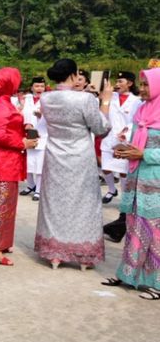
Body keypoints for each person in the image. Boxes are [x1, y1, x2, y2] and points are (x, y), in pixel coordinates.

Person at [35, 59, 112, 270]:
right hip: (80, 156)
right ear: (73, 74)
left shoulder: (46, 98)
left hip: (55, 155)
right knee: (84, 203)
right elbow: (101, 128)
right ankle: (83, 254)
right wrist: (105, 102)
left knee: (55, 203)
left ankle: (54, 253)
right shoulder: (85, 99)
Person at [103, 67, 160, 299]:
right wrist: (124, 151)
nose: (143, 89)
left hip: (154, 184)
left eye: (147, 85)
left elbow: (147, 150)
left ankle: (154, 282)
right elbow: (136, 142)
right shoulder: (142, 111)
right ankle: (127, 273)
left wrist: (143, 155)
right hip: (135, 180)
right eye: (143, 85)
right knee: (134, 227)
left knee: (155, 234)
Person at [0, 68, 38, 266]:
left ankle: (2, 241)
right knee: (1, 203)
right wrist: (23, 142)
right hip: (2, 160)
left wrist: (25, 129)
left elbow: (6, 129)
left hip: (9, 160)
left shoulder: (4, 102)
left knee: (8, 202)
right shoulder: (0, 105)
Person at [100, 72, 142, 204]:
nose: (117, 84)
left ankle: (125, 196)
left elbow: (136, 120)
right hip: (109, 137)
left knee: (123, 171)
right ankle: (112, 189)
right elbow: (103, 114)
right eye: (116, 82)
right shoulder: (110, 97)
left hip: (125, 139)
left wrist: (126, 132)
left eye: (120, 82)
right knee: (105, 167)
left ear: (129, 83)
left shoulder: (136, 101)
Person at [21, 77, 48, 201]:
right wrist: (26, 122)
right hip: (26, 134)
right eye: (36, 86)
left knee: (39, 164)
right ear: (32, 87)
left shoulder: (48, 100)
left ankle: (38, 190)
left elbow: (53, 119)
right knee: (28, 163)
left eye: (42, 86)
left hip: (42, 135)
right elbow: (22, 113)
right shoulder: (26, 99)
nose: (39, 89)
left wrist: (41, 116)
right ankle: (30, 185)